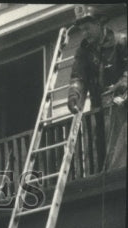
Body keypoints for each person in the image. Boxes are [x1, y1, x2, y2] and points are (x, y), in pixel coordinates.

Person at [67, 5, 127, 168]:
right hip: (98, 108)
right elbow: (78, 76)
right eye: (81, 30)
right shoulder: (83, 52)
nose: (84, 33)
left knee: (121, 148)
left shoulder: (121, 41)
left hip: (122, 106)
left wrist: (123, 82)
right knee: (100, 150)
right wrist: (74, 94)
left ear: (100, 23)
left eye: (87, 28)